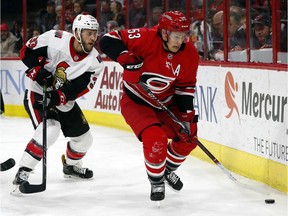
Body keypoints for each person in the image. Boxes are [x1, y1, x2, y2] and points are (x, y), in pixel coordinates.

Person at [100, 11, 199, 202]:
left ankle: (166, 170)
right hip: (136, 101)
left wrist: (186, 117)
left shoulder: (189, 53)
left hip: (166, 103)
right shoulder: (145, 38)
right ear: (163, 33)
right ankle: (156, 181)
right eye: (176, 36)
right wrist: (123, 56)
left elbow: (185, 86)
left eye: (183, 36)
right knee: (156, 139)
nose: (181, 41)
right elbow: (108, 39)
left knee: (189, 137)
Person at [12, 14, 104, 191]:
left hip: (63, 100)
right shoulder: (55, 39)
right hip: (38, 92)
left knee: (84, 140)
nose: (93, 38)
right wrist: (38, 72)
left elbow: (81, 87)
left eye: (95, 33)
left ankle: (70, 166)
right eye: (88, 33)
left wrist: (60, 96)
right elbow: (26, 52)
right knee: (51, 130)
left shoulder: (95, 61)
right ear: (77, 32)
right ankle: (24, 171)